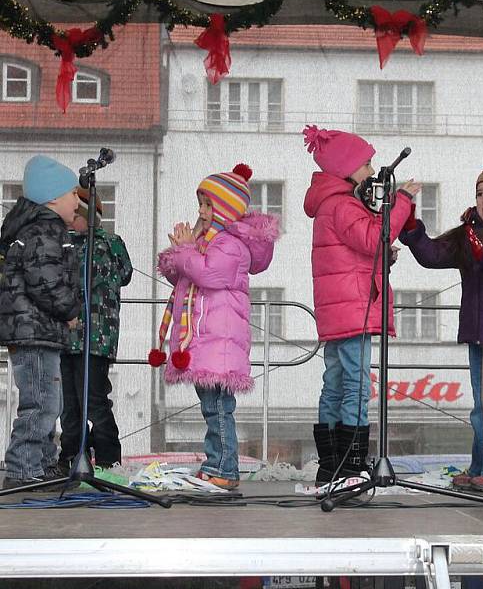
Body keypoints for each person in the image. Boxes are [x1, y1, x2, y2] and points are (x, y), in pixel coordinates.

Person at [400, 161, 483, 492]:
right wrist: (412, 225)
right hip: (479, 330)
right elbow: (431, 255)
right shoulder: (467, 232)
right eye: (480, 193)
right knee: (482, 404)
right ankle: (482, 466)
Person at [149, 164, 280, 490]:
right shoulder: (209, 242)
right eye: (201, 204)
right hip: (206, 340)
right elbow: (183, 278)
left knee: (219, 409)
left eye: (208, 205)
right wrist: (180, 252)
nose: (201, 211)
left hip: (219, 342)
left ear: (224, 209)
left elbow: (208, 275)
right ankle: (214, 464)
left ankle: (225, 468)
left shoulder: (229, 246)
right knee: (211, 408)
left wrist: (186, 250)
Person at [302, 124, 420, 485]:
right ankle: (352, 463)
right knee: (356, 385)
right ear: (345, 168)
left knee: (335, 382)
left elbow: (356, 252)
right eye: (366, 165)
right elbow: (373, 238)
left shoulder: (329, 204)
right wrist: (402, 202)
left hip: (339, 309)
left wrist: (385, 255)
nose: (371, 172)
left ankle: (330, 464)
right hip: (355, 308)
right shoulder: (342, 204)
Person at [0, 155, 80, 489]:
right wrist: (71, 309)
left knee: (50, 402)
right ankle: (22, 468)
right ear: (52, 198)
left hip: (40, 332)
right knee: (40, 403)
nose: (78, 201)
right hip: (33, 332)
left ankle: (44, 463)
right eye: (73, 194)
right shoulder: (42, 232)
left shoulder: (45, 229)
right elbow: (44, 282)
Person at [57, 188, 132, 476]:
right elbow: (126, 273)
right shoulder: (109, 244)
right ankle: (85, 457)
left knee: (89, 402)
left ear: (89, 218)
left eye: (75, 215)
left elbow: (124, 274)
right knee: (79, 402)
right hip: (82, 337)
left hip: (90, 337)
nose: (69, 221)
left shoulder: (99, 244)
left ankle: (98, 458)